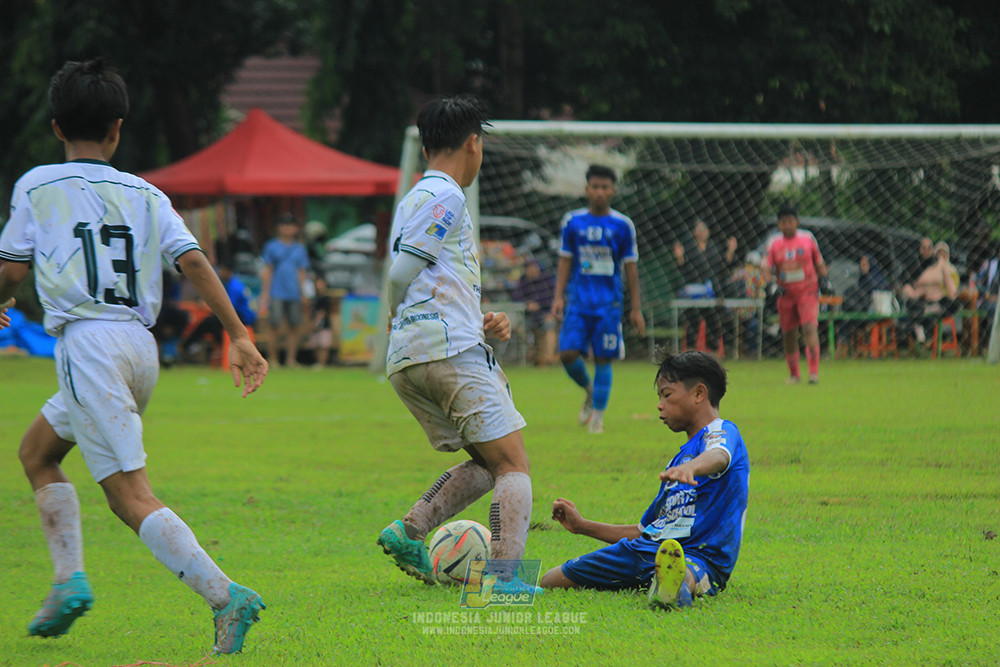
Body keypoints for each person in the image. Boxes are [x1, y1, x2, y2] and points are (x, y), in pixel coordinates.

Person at [0, 60, 268, 653]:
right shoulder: (146, 193)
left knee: (129, 494)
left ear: (55, 126)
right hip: (138, 348)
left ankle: (226, 597)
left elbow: (12, 271)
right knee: (38, 452)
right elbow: (193, 261)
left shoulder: (37, 185)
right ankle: (68, 581)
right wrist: (239, 334)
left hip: (89, 346)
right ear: (117, 128)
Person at [377, 95, 539, 595]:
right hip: (445, 351)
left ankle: (410, 531)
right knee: (513, 465)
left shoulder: (412, 199)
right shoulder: (446, 195)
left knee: (489, 463)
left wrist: (475, 320)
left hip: (412, 358)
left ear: (426, 146)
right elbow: (400, 274)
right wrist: (401, 312)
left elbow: (425, 279)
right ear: (473, 144)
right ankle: (506, 580)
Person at [539, 350, 749, 611]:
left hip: (700, 556)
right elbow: (644, 531)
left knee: (685, 573)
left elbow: (719, 456)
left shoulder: (721, 432)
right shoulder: (676, 463)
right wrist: (582, 525)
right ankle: (660, 579)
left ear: (698, 393)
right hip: (645, 551)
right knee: (551, 580)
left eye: (667, 395)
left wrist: (692, 467)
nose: (660, 405)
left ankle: (674, 585)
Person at [551, 164, 645, 434]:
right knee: (567, 353)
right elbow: (565, 260)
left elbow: (631, 266)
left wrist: (635, 307)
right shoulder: (573, 222)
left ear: (613, 190)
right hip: (578, 302)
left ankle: (597, 421)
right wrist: (558, 297)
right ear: (586, 189)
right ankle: (590, 390)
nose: (600, 192)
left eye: (605, 187)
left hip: (608, 304)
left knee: (603, 358)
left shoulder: (623, 225)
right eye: (595, 186)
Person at [762, 203, 831, 384]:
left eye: (790, 221)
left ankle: (813, 373)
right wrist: (771, 285)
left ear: (797, 222)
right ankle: (794, 374)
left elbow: (819, 262)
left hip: (807, 291)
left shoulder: (807, 238)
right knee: (789, 334)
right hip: (785, 294)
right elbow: (766, 268)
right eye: (783, 222)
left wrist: (824, 279)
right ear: (779, 224)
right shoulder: (774, 242)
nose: (787, 225)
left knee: (809, 328)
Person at [673, 220, 739, 355]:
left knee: (713, 321)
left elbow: (724, 266)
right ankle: (690, 352)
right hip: (694, 292)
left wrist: (730, 251)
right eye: (700, 230)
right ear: (695, 233)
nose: (703, 232)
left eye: (705, 229)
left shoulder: (714, 247)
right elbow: (683, 268)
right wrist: (679, 257)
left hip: (712, 291)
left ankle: (713, 352)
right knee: (692, 321)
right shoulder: (689, 248)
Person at [259, 212, 310, 367]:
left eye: (291, 225)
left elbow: (302, 273)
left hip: (294, 292)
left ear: (296, 228)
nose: (288, 228)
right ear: (279, 228)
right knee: (273, 325)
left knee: (294, 326)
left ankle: (291, 360)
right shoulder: (272, 247)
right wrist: (265, 294)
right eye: (284, 225)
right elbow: (268, 271)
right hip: (276, 292)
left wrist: (304, 293)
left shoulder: (300, 249)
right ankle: (273, 359)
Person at [182, 259, 257, 362]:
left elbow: (227, 308)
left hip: (243, 318)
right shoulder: (234, 283)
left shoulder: (234, 286)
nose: (220, 273)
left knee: (208, 322)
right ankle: (216, 347)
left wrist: (207, 306)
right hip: (242, 316)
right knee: (212, 323)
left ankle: (187, 345)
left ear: (227, 271)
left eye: (221, 270)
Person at [901, 241, 959, 346]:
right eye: (924, 247)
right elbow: (910, 284)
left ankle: (928, 314)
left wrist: (948, 292)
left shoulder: (947, 268)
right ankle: (921, 327)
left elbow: (952, 289)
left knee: (955, 303)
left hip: (939, 301)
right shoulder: (919, 266)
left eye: (944, 253)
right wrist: (916, 292)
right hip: (923, 300)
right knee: (913, 304)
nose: (941, 256)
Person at [510, 259, 557, 366]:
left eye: (534, 268)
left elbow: (553, 298)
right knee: (518, 329)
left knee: (549, 325)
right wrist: (527, 304)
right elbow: (515, 298)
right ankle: (533, 355)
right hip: (528, 316)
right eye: (529, 268)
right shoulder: (523, 282)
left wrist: (541, 306)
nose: (532, 270)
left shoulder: (546, 279)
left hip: (545, 313)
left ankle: (549, 359)